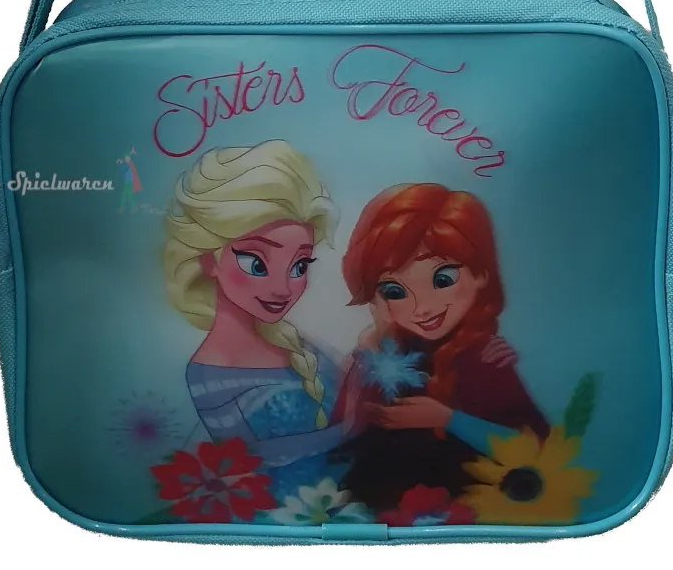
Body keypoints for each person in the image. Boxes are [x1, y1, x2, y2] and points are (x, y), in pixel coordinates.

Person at [162, 141, 364, 501]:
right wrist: (347, 429)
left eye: (299, 266)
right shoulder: (211, 369)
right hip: (282, 515)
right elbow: (248, 459)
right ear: (208, 259)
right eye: (256, 263)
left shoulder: (298, 344)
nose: (282, 288)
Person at [335, 182, 547, 510]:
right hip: (378, 506)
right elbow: (343, 436)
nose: (422, 308)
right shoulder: (383, 352)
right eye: (394, 291)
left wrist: (448, 419)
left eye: (442, 280)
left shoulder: (483, 357)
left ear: (481, 274)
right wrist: (369, 349)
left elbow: (535, 448)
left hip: (460, 507)